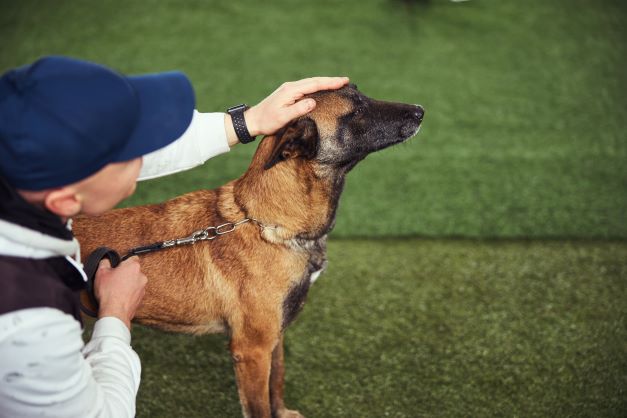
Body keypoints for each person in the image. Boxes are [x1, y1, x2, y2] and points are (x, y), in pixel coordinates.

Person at [0, 55, 348, 417]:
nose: (145, 154)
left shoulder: (25, 179)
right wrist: (115, 316)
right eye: (131, 149)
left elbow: (94, 166)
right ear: (65, 201)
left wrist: (250, 121)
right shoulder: (28, 320)